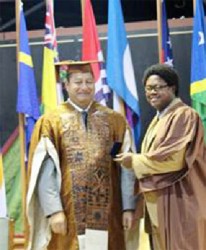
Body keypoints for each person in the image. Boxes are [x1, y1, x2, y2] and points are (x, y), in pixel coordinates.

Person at [26, 61, 138, 250]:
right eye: (78, 82)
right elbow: (46, 172)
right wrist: (54, 211)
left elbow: (125, 167)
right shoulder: (51, 122)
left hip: (109, 212)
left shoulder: (115, 121)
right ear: (67, 85)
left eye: (89, 82)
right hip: (68, 213)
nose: (84, 87)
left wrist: (128, 207)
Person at [115, 63, 206, 250]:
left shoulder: (184, 115)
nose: (152, 93)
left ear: (172, 88)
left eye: (157, 87)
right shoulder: (159, 118)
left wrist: (134, 160)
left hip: (181, 202)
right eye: (148, 88)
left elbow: (174, 160)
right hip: (160, 204)